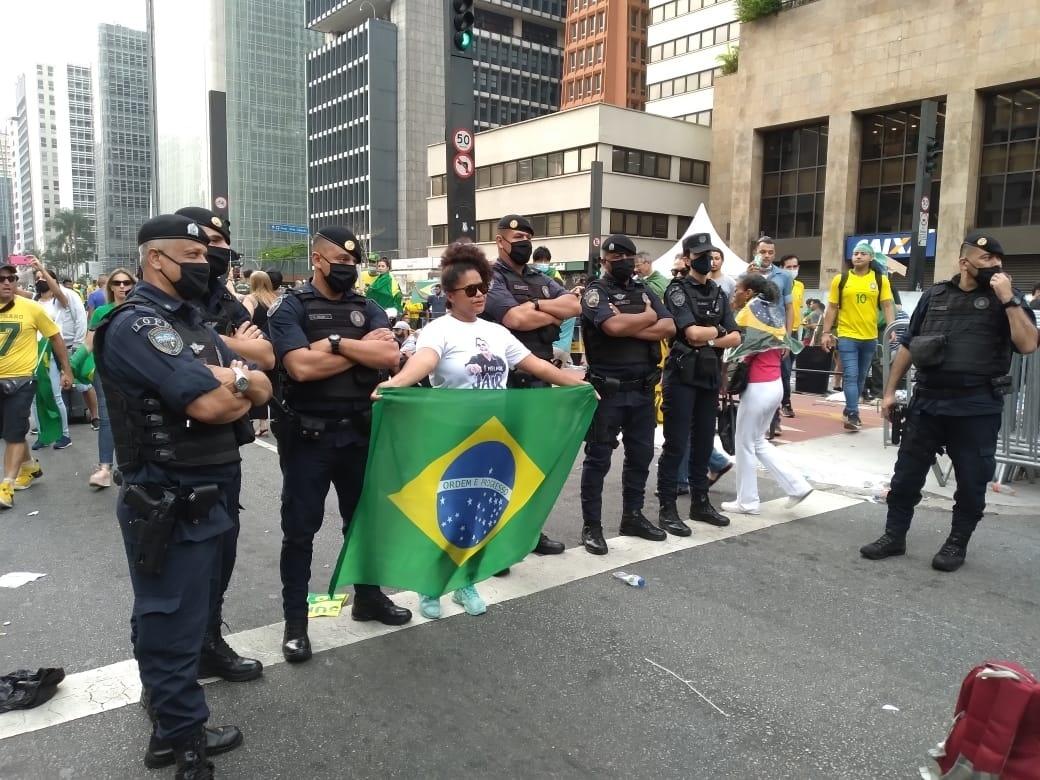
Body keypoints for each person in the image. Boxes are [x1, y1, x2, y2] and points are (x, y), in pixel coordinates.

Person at [94, 214, 272, 777]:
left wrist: (236, 380)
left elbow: (262, 381)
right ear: (156, 260)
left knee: (192, 614)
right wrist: (236, 382)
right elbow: (212, 406)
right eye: (192, 258)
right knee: (169, 619)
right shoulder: (139, 325)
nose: (205, 266)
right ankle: (185, 741)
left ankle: (170, 730)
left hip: (210, 483)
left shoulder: (192, 321)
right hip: (167, 494)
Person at [376, 242, 589, 615]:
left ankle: (466, 582)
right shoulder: (437, 331)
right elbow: (423, 363)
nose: (479, 296)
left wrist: (577, 383)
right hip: (450, 436)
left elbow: (536, 365)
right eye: (471, 290)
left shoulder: (496, 332)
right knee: (443, 512)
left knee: (479, 513)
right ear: (450, 295)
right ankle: (432, 585)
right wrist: (396, 385)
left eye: (483, 288)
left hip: (492, 438)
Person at [268, 226, 411, 664]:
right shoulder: (288, 309)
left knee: (363, 522)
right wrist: (355, 348)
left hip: (359, 431)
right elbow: (300, 368)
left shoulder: (366, 306)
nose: (348, 268)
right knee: (300, 531)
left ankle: (368, 597)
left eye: (354, 262)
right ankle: (296, 623)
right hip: (309, 436)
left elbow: (389, 358)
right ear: (317, 260)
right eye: (340, 261)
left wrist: (331, 343)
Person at [861, 232, 1038, 572]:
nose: (995, 265)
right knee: (906, 476)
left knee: (972, 481)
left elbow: (1029, 344)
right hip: (928, 403)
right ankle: (893, 536)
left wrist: (1008, 300)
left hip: (976, 406)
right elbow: (910, 346)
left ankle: (957, 543)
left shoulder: (1008, 299)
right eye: (986, 259)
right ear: (964, 262)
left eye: (998, 260)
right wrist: (888, 392)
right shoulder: (935, 295)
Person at [175, 207, 269, 685]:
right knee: (174, 573)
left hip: (225, 449)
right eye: (200, 245)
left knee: (221, 552)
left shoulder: (222, 299)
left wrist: (217, 349)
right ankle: (171, 675)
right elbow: (196, 380)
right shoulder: (159, 307)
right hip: (173, 456)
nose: (212, 252)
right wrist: (233, 351)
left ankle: (210, 642)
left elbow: (266, 360)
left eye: (216, 244)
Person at [482, 213, 582, 556]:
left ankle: (529, 532)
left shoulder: (541, 278)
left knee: (532, 461)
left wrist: (538, 305)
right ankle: (496, 538)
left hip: (539, 379)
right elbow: (514, 318)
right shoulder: (491, 277)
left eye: (527, 236)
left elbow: (574, 305)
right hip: (506, 382)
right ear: (500, 240)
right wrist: (551, 312)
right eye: (516, 236)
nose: (523, 242)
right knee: (500, 463)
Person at [579, 235, 675, 555]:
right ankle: (592, 526)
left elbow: (669, 327)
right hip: (607, 391)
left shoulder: (644, 289)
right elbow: (612, 328)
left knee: (641, 456)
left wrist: (628, 322)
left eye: (627, 256)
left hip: (643, 391)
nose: (621, 261)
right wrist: (647, 318)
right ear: (604, 261)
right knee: (598, 460)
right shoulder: (596, 292)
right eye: (614, 256)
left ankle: (632, 516)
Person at [656, 233, 741, 534]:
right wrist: (717, 332)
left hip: (708, 374)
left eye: (712, 253)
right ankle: (667, 508)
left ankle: (700, 503)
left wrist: (711, 334)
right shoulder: (678, 290)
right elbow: (690, 333)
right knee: (677, 443)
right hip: (681, 376)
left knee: (705, 442)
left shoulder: (717, 291)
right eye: (702, 254)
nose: (708, 259)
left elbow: (736, 334)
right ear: (689, 256)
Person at [721, 274, 813, 515]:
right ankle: (797, 485)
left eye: (738, 289)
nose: (734, 293)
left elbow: (735, 346)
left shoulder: (748, 312)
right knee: (758, 441)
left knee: (745, 445)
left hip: (757, 387)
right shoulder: (774, 310)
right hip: (775, 385)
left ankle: (747, 501)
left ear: (749, 292)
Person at [0, 262, 72, 508]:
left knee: (14, 432)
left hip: (22, 380)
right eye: (1, 279)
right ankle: (29, 466)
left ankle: (6, 486)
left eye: (11, 278)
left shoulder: (31, 308)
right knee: (10, 432)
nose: (7, 282)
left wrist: (66, 369)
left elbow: (55, 337)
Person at [174, 207, 275, 372]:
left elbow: (267, 357)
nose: (225, 249)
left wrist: (215, 342)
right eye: (214, 240)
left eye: (225, 242)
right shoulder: (163, 296)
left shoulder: (223, 296)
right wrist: (237, 343)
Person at [820, 240, 895, 431]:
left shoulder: (880, 280)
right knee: (851, 375)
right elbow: (832, 308)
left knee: (861, 377)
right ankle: (853, 414)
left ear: (870, 258)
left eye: (863, 253)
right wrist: (826, 332)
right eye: (855, 253)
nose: (858, 256)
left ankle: (849, 407)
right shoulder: (841, 280)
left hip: (870, 338)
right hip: (847, 336)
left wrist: (891, 328)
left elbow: (887, 305)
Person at [32, 260, 97, 446]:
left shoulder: (62, 298)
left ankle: (65, 434)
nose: (40, 280)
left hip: (58, 352)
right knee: (36, 397)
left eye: (43, 278)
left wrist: (41, 268)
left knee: (61, 392)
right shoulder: (34, 301)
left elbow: (61, 296)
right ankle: (43, 435)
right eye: (37, 279)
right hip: (36, 355)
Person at [84, 267, 136, 488]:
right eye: (117, 283)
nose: (122, 287)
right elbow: (89, 342)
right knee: (107, 418)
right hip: (105, 371)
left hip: (136, 371)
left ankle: (133, 468)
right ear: (111, 287)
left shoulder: (140, 309)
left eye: (127, 283)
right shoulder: (101, 311)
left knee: (135, 417)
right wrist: (73, 366)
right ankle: (105, 468)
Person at [242, 271, 279, 437]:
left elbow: (244, 318)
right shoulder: (277, 299)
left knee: (258, 382)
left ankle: (261, 422)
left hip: (259, 347)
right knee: (276, 383)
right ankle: (279, 418)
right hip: (278, 346)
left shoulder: (251, 299)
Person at [778, 254, 803, 418]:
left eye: (795, 267)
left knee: (788, 369)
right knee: (785, 370)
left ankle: (782, 401)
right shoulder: (777, 284)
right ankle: (786, 403)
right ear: (782, 268)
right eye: (789, 267)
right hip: (781, 332)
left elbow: (797, 308)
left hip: (795, 332)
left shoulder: (800, 286)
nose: (793, 270)